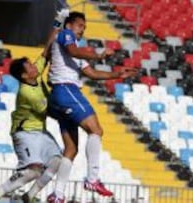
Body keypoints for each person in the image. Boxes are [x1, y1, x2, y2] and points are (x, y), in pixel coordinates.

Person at [47, 11, 138, 202]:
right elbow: (72, 51)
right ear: (69, 25)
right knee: (96, 129)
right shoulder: (66, 36)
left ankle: (58, 194)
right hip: (66, 90)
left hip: (59, 96)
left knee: (71, 149)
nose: (82, 30)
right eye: (80, 26)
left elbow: (93, 74)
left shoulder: (75, 49)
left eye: (84, 27)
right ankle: (92, 179)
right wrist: (98, 54)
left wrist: (117, 75)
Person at [0, 9, 70, 203]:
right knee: (33, 171)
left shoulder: (35, 76)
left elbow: (46, 53)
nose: (34, 66)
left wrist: (58, 22)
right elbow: (49, 110)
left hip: (40, 131)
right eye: (30, 66)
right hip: (25, 133)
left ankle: (30, 195)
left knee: (57, 161)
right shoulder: (27, 92)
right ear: (24, 75)